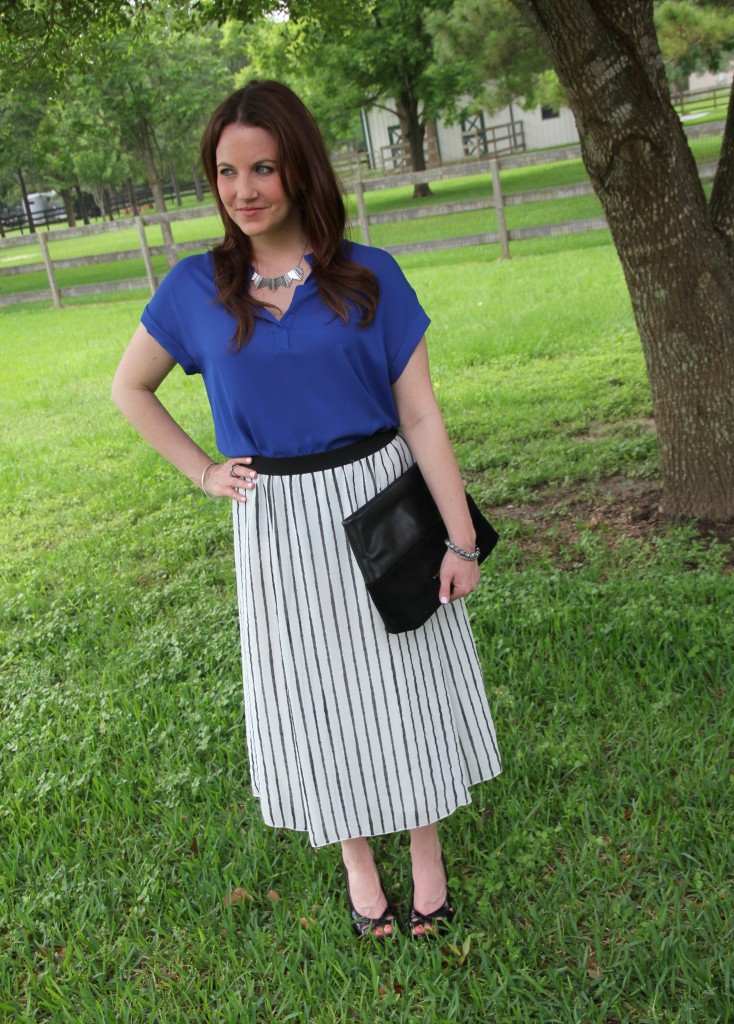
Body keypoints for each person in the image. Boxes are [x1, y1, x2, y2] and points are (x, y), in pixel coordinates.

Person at [112, 80, 501, 939]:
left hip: (381, 501)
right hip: (278, 523)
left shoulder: (370, 276)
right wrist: (201, 471)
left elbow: (422, 414)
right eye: (225, 171)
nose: (243, 190)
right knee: (314, 701)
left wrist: (462, 542)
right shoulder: (193, 288)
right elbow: (129, 387)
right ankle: (362, 872)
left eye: (263, 168)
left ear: (301, 170)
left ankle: (426, 856)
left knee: (408, 686)